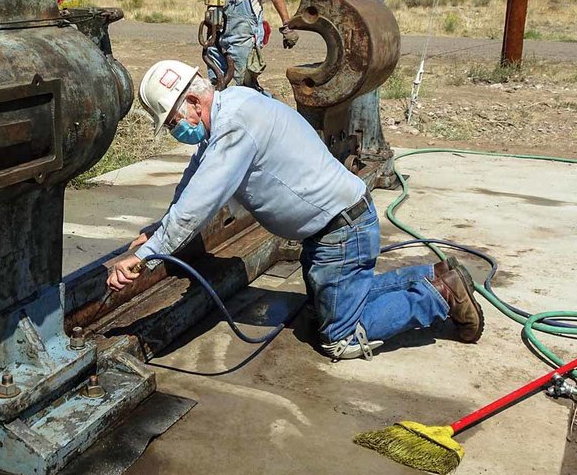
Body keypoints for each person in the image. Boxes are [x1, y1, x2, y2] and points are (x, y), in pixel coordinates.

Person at [106, 60, 485, 360]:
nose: (176, 131)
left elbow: (196, 208)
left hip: (340, 233)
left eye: (173, 122)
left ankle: (439, 296)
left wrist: (145, 258)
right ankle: (437, 274)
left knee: (338, 337)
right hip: (338, 229)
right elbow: (193, 181)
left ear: (192, 102)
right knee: (332, 305)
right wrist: (157, 231)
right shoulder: (232, 107)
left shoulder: (234, 126)